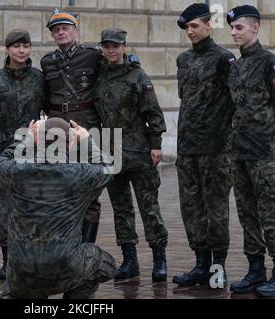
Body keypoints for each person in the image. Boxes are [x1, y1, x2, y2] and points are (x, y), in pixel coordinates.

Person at [0, 118, 116, 298]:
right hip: (66, 267)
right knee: (105, 263)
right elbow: (108, 168)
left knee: (23, 283)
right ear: (70, 144)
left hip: (22, 270)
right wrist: (87, 140)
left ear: (39, 141)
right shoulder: (80, 173)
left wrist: (25, 140)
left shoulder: (16, 171)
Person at [226, 5, 275, 297]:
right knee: (247, 214)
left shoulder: (271, 63)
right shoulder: (237, 66)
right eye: (232, 28)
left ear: (256, 27)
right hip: (239, 153)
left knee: (271, 213)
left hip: (265, 153)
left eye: (239, 27)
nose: (233, 32)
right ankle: (256, 271)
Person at [95, 28, 168, 282]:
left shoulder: (137, 76)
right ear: (102, 48)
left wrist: (156, 144)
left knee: (149, 208)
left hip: (138, 152)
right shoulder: (99, 75)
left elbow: (153, 113)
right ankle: (130, 261)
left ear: (124, 46)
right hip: (110, 151)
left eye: (116, 45)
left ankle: (160, 260)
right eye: (107, 46)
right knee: (121, 210)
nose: (111, 50)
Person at [171, 3, 235, 287]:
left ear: (209, 25)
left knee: (216, 209)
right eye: (187, 27)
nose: (190, 31)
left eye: (194, 26)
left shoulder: (224, 59)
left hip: (216, 148)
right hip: (187, 148)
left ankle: (217, 268)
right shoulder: (183, 60)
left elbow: (238, 101)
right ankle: (200, 264)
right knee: (191, 209)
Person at [0, 29, 44, 280]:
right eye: (16, 46)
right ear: (7, 50)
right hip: (0, 154)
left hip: (31, 152)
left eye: (25, 46)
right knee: (2, 208)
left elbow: (49, 112)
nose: (22, 51)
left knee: (30, 207)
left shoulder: (39, 79)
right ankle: (7, 261)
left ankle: (28, 259)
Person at [40, 9, 103, 243]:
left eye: (65, 28)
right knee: (59, 185)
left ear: (75, 31)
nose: (61, 32)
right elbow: (46, 97)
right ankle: (64, 242)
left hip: (86, 126)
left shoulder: (93, 56)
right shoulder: (47, 61)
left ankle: (86, 247)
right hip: (57, 127)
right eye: (56, 30)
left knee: (89, 187)